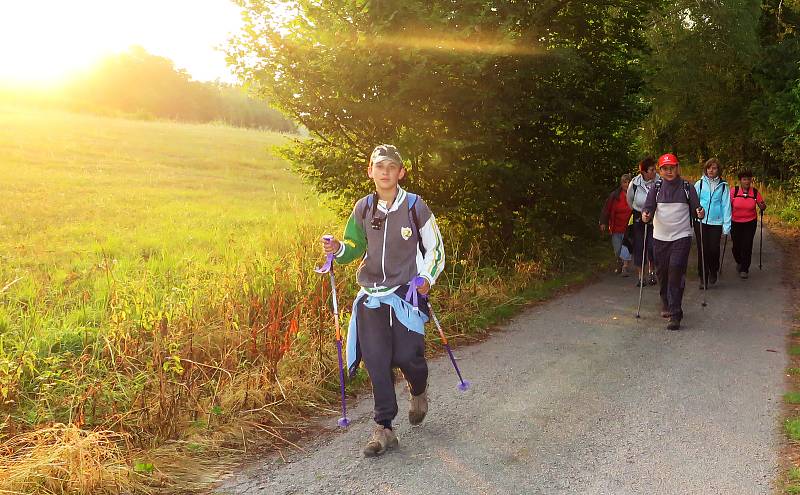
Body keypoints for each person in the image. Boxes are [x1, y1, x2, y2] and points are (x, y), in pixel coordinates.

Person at [321, 144, 445, 457]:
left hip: (406, 295)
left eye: (392, 167)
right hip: (371, 298)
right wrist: (338, 248)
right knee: (376, 362)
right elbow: (353, 247)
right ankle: (384, 427)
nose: (385, 172)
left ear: (401, 172)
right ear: (371, 171)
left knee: (407, 357)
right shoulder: (363, 207)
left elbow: (436, 249)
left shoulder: (415, 206)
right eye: (380, 166)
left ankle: (418, 391)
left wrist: (426, 278)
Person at [642, 153, 704, 331]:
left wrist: (700, 212)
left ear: (677, 168)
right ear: (660, 171)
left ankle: (675, 314)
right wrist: (645, 215)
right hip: (660, 238)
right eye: (665, 168)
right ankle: (666, 302)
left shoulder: (687, 187)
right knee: (663, 273)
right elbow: (648, 209)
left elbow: (697, 209)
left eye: (672, 168)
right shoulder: (656, 187)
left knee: (676, 270)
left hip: (681, 236)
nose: (669, 171)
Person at [694, 158, 731, 289]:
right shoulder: (700, 184)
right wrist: (695, 213)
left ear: (718, 170)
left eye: (714, 168)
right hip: (701, 221)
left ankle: (714, 270)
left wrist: (727, 226)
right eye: (709, 167)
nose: (711, 170)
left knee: (713, 249)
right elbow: (693, 201)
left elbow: (726, 205)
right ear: (705, 169)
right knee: (702, 249)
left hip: (716, 222)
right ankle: (703, 277)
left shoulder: (724, 186)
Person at [627, 157, 659, 286]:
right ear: (644, 172)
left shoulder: (659, 181)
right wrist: (640, 211)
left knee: (653, 246)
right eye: (652, 170)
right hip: (639, 217)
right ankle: (641, 276)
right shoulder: (634, 183)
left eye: (655, 169)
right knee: (639, 246)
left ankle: (652, 272)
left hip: (656, 216)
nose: (655, 172)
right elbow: (629, 201)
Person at [730, 170, 766, 279]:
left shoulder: (755, 192)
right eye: (744, 179)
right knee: (736, 246)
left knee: (747, 245)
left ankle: (745, 269)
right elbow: (727, 205)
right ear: (740, 180)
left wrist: (762, 206)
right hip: (735, 222)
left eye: (748, 179)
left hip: (750, 222)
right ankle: (739, 262)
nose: (746, 181)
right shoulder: (734, 191)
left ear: (751, 180)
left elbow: (762, 205)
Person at [600, 174, 634, 277]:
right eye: (624, 182)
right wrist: (603, 222)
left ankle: (625, 267)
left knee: (626, 247)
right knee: (617, 249)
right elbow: (606, 209)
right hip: (615, 226)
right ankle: (619, 262)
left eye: (628, 182)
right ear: (621, 183)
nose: (627, 184)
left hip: (628, 227)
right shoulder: (614, 195)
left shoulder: (634, 195)